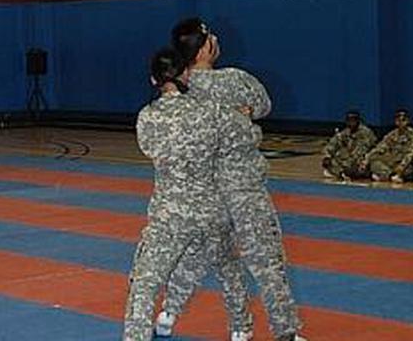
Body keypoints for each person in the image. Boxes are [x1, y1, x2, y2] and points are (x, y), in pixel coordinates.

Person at [154, 18, 306, 341]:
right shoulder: (236, 79)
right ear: (208, 46)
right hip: (243, 187)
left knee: (197, 254)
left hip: (204, 189)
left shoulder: (183, 89)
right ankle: (286, 333)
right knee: (266, 262)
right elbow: (264, 105)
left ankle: (168, 314)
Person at [123, 48, 252, 341]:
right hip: (212, 210)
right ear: (186, 74)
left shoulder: (147, 117)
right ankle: (241, 330)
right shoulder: (210, 111)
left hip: (170, 214)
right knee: (229, 271)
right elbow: (243, 139)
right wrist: (242, 117)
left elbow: (150, 149)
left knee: (144, 284)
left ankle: (138, 336)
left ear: (153, 80)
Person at [364, 109, 413, 183]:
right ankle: (390, 176)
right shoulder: (392, 134)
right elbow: (380, 147)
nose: (401, 122)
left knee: (410, 170)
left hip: (406, 164)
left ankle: (387, 176)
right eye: (398, 120)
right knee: (374, 162)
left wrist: (401, 167)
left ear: (408, 121)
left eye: (403, 120)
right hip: (392, 163)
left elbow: (411, 154)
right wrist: (366, 159)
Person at [322, 110, 377, 180]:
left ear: (358, 121)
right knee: (332, 162)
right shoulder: (345, 132)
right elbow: (332, 144)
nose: (351, 123)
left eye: (353, 121)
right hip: (348, 160)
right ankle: (343, 172)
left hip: (362, 160)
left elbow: (360, 152)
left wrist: (348, 163)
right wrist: (327, 156)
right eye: (349, 121)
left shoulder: (366, 133)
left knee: (364, 166)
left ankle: (345, 172)